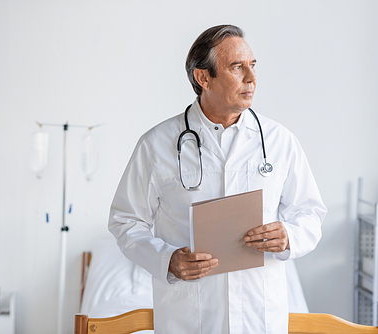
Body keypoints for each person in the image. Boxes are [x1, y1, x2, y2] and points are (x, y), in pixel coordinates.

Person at [108, 24, 326, 334]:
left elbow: (311, 214)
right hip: (190, 316)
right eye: (237, 67)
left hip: (258, 314)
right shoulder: (156, 145)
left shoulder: (280, 141)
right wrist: (167, 260)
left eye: (252, 66)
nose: (251, 78)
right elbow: (125, 221)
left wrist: (289, 236)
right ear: (203, 77)